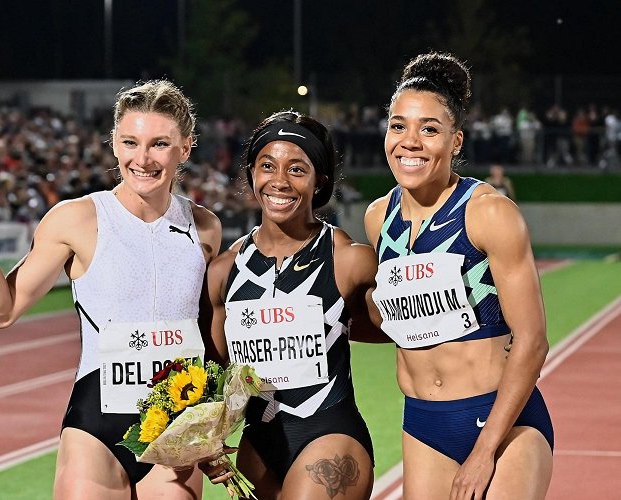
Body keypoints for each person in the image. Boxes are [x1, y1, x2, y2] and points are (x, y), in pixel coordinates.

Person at [0, 80, 222, 499]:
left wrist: (212, 423)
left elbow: (207, 338)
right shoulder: (76, 220)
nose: (141, 159)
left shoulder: (205, 227)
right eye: (130, 142)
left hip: (174, 431)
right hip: (96, 427)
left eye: (159, 144)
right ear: (113, 143)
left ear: (185, 148)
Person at [364, 52, 553, 500]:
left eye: (429, 129)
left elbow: (533, 339)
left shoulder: (488, 213)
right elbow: (402, 318)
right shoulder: (378, 219)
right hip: (424, 423)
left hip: (502, 421)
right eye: (398, 126)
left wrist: (485, 450)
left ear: (456, 142)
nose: (409, 141)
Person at [203, 110, 384, 499]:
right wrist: (202, 440)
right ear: (252, 172)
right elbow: (214, 375)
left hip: (328, 434)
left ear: (320, 180)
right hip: (258, 446)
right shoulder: (223, 272)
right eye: (268, 166)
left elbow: (408, 327)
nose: (279, 181)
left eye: (297, 169)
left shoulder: (351, 260)